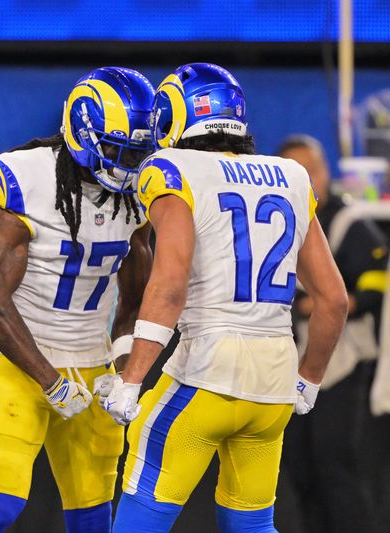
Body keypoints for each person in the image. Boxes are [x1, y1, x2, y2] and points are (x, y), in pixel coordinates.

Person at [103, 63, 349, 533]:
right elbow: (333, 299)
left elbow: (169, 281)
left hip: (207, 372)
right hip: (275, 379)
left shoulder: (170, 168)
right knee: (253, 525)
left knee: (139, 521)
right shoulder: (291, 175)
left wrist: (132, 377)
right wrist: (309, 379)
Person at [0, 66, 156, 533]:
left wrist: (122, 372)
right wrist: (49, 381)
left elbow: (135, 299)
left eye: (138, 152)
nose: (129, 165)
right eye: (119, 150)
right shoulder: (28, 179)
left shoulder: (137, 197)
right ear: (84, 135)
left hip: (92, 362)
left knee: (92, 519)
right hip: (21, 363)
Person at [278, 134, 387, 533]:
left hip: (342, 363)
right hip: (291, 360)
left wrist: (319, 303)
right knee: (299, 466)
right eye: (295, 172)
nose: (305, 180)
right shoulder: (275, 219)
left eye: (312, 170)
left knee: (335, 461)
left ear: (325, 173)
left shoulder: (348, 222)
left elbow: (367, 289)